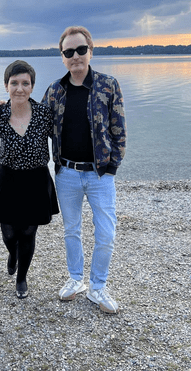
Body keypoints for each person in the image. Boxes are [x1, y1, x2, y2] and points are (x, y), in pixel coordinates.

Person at [41, 26, 126, 314]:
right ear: (62, 57)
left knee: (106, 233)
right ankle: (76, 279)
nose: (75, 56)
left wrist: (113, 165)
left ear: (90, 51)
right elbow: (36, 122)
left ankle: (97, 286)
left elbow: (119, 129)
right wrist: (5, 106)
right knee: (71, 230)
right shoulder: (55, 90)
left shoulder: (108, 85)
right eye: (69, 52)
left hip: (101, 174)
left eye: (80, 50)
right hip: (66, 174)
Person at [0, 60, 59, 299]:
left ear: (32, 86)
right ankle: (12, 254)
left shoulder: (44, 114)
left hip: (36, 180)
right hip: (8, 179)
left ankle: (22, 278)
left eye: (25, 83)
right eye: (14, 83)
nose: (19, 88)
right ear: (6, 85)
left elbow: (61, 141)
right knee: (9, 234)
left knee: (27, 233)